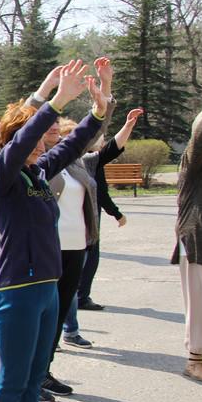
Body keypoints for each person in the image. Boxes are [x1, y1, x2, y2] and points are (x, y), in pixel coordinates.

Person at [0, 59, 104, 402]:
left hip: (48, 288)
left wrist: (99, 110)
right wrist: (55, 101)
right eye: (33, 138)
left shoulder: (36, 174)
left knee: (35, 375)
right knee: (13, 377)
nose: (40, 146)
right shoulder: (1, 174)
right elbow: (20, 143)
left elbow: (71, 147)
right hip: (16, 290)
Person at [27, 58, 114, 400]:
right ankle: (30, 378)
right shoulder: (31, 165)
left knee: (58, 314)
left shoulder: (66, 161)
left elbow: (85, 139)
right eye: (46, 126)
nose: (51, 130)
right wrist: (49, 93)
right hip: (46, 251)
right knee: (39, 320)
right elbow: (21, 128)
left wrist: (102, 100)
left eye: (54, 127)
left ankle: (43, 372)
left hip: (76, 247)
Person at [60, 109, 141, 348]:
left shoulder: (85, 162)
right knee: (54, 291)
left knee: (70, 289)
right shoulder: (49, 164)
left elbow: (110, 150)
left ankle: (70, 331)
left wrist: (127, 126)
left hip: (81, 238)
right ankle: (51, 334)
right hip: (54, 239)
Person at [172, 96, 202, 383]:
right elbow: (200, 137)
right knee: (201, 304)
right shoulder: (194, 160)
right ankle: (194, 360)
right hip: (199, 241)